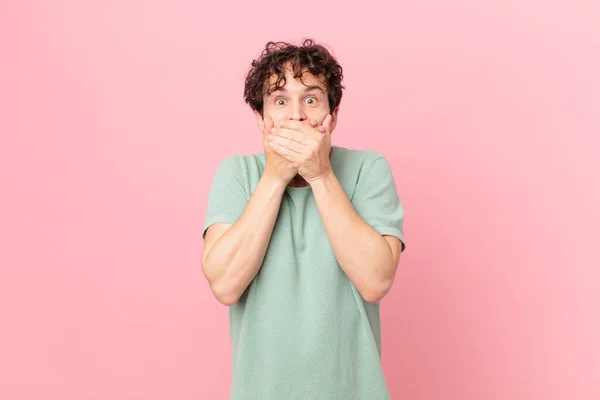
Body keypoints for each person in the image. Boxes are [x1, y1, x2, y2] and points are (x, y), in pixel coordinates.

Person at [201, 38, 406, 400]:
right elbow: (225, 285)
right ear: (261, 120)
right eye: (280, 101)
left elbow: (375, 280)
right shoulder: (238, 173)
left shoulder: (367, 169)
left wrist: (320, 174)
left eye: (310, 99)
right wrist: (275, 177)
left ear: (333, 115)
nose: (296, 115)